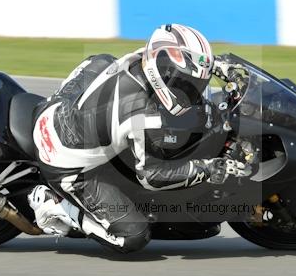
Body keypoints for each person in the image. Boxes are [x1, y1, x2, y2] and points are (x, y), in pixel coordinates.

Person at [28, 24, 249, 253]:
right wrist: (208, 169)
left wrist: (220, 67)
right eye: (185, 84)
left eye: (196, 84)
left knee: (103, 59)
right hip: (65, 162)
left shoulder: (144, 58)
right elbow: (151, 176)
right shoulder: (142, 115)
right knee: (133, 236)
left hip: (61, 107)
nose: (193, 91)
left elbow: (186, 59)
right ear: (162, 71)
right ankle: (55, 206)